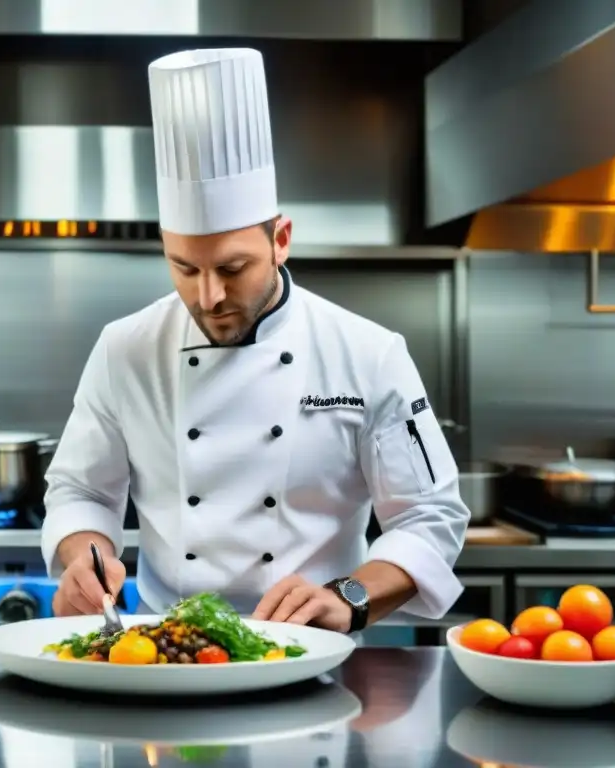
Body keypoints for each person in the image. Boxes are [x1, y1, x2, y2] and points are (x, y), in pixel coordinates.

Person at [42, 47, 470, 633]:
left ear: (282, 239)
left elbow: (431, 515)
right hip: (163, 653)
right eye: (184, 269)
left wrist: (350, 595)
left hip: (311, 652)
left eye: (233, 267)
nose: (209, 297)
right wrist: (84, 556)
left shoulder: (368, 353)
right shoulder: (126, 348)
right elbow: (80, 488)